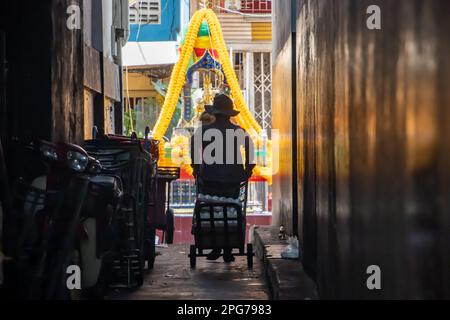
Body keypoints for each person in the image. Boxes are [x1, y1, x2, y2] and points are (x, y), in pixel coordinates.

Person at [190, 94, 255, 262]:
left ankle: (217, 245)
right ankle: (227, 248)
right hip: (233, 180)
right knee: (230, 211)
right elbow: (251, 147)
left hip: (209, 178)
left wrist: (196, 167)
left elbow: (193, 145)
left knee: (211, 211)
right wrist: (248, 168)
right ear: (229, 114)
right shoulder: (238, 131)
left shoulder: (203, 131)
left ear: (215, 113)